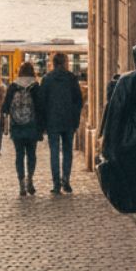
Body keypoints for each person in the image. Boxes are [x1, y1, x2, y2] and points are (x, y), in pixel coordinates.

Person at [38, 52, 84, 194]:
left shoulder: (47, 79)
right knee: (67, 151)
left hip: (52, 121)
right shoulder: (71, 78)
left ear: (53, 63)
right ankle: (66, 181)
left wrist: (43, 122)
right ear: (64, 62)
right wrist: (75, 117)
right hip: (69, 121)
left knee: (54, 152)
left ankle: (56, 184)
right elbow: (79, 101)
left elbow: (41, 103)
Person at [1, 62, 43, 196]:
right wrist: (42, 128)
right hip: (32, 126)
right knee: (31, 154)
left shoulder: (13, 86)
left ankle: (21, 184)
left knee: (19, 155)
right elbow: (41, 108)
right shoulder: (35, 86)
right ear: (32, 72)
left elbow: (5, 107)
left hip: (17, 127)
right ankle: (30, 179)